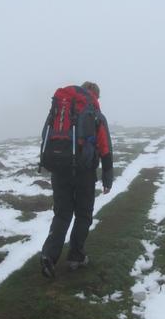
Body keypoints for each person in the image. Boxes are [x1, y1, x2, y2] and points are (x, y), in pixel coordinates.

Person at [40, 81, 113, 278]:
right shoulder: (95, 114)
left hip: (59, 168)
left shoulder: (60, 110)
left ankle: (49, 255)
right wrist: (107, 177)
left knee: (62, 214)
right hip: (84, 171)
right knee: (83, 214)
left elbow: (45, 134)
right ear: (96, 95)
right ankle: (75, 257)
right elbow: (105, 148)